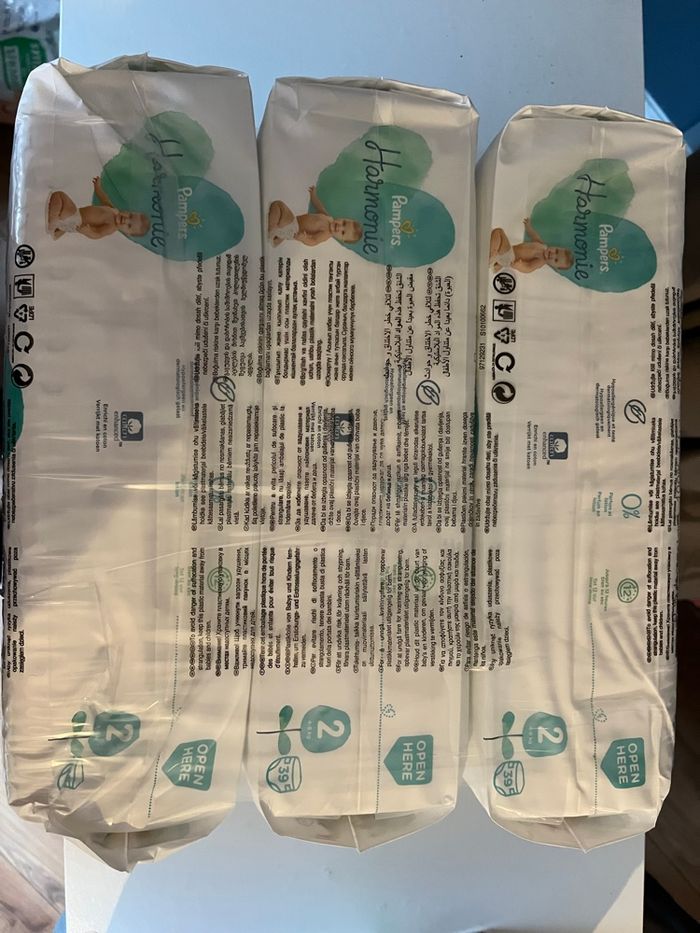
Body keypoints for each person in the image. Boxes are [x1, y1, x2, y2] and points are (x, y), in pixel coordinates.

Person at [47, 177, 150, 240]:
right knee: (63, 204)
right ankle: (59, 229)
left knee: (59, 195)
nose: (126, 220)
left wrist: (87, 231)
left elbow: (98, 234)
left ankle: (54, 220)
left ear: (127, 233)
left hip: (76, 220)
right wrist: (98, 187)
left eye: (129, 225)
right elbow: (104, 199)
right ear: (129, 211)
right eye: (130, 216)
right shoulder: (114, 210)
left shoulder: (111, 227)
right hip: (75, 215)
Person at [267, 185, 362, 247]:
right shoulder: (329, 218)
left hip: (294, 229)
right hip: (294, 222)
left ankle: (272, 228)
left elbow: (313, 241)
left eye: (343, 232)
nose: (339, 227)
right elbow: (319, 207)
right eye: (344, 223)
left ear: (341, 240)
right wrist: (313, 195)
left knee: (278, 205)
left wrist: (304, 239)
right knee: (283, 218)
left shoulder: (326, 233)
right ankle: (278, 237)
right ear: (343, 218)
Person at [490, 217, 573, 273]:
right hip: (509, 252)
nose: (553, 254)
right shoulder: (542, 245)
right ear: (556, 247)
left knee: (499, 232)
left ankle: (492, 255)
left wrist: (519, 266)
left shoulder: (541, 260)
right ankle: (496, 259)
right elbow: (534, 235)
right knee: (497, 235)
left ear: (554, 266)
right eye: (557, 251)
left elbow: (529, 268)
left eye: (556, 260)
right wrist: (528, 226)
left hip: (511, 258)